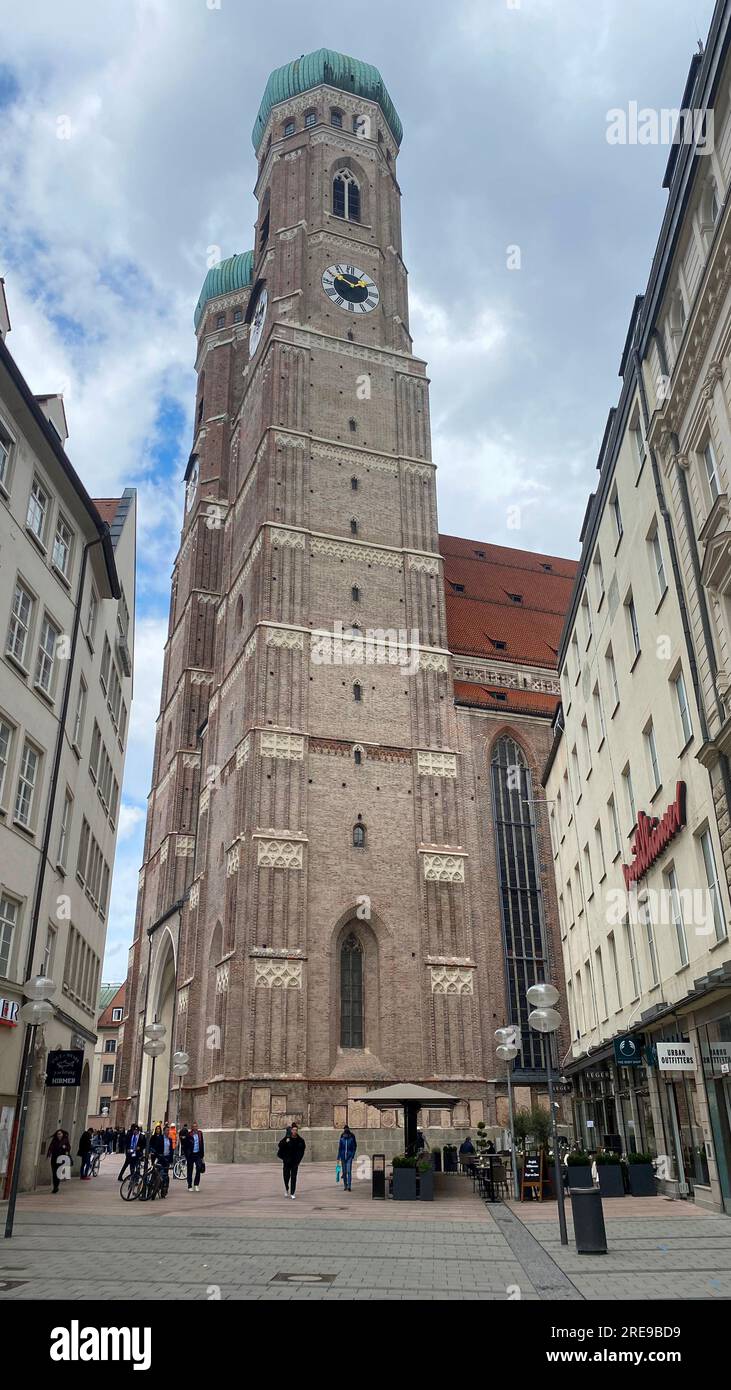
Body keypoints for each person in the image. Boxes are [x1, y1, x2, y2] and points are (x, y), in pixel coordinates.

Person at [277, 1122, 306, 1199]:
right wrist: (285, 1142)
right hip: (287, 1162)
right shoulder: (287, 1138)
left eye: (296, 1130)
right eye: (293, 1130)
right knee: (286, 1176)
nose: (295, 1131)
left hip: (295, 1162)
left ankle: (293, 1192)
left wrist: (298, 1160)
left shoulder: (300, 1140)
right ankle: (286, 1188)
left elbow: (302, 1151)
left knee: (294, 1177)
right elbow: (280, 1145)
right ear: (291, 1130)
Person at [150, 1123, 174, 1196]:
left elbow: (171, 1150)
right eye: (166, 1131)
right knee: (157, 1172)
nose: (167, 1132)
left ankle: (164, 1188)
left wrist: (171, 1160)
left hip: (167, 1158)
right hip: (161, 1157)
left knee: (165, 1175)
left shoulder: (170, 1140)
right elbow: (156, 1147)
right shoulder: (160, 1138)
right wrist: (156, 1154)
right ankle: (154, 1185)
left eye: (168, 1131)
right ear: (164, 1131)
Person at [182, 1121, 205, 1192]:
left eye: (196, 1126)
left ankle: (196, 1184)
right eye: (194, 1126)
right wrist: (187, 1154)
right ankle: (189, 1185)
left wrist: (202, 1156)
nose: (195, 1128)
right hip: (191, 1155)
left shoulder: (200, 1134)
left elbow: (202, 1144)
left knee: (198, 1168)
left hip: (198, 1154)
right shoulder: (189, 1134)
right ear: (192, 1128)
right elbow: (185, 1146)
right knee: (190, 1170)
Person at [337, 1125, 357, 1192]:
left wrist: (352, 1155)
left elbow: (354, 1147)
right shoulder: (342, 1139)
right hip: (343, 1157)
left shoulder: (351, 1138)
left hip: (349, 1157)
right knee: (344, 1172)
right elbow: (340, 1148)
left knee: (349, 1171)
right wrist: (338, 1157)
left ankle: (349, 1186)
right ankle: (345, 1185)